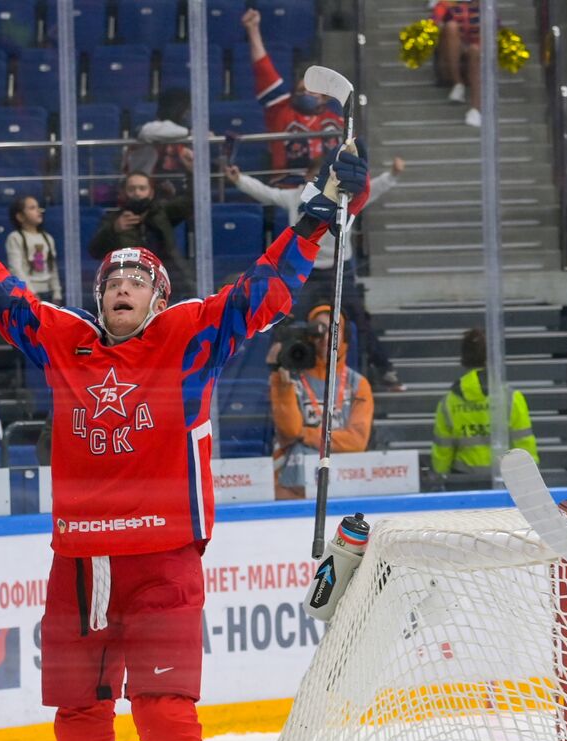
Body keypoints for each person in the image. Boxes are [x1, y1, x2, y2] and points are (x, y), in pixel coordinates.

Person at [0, 144, 370, 741]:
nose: (122, 287)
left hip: (162, 560)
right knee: (77, 718)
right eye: (111, 281)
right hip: (79, 564)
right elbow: (8, 299)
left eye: (138, 280)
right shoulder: (66, 342)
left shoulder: (188, 336)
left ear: (158, 296)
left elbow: (263, 291)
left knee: (162, 713)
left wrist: (321, 215)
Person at [224, 155, 407, 390]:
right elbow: (266, 193)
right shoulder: (296, 196)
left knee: (360, 322)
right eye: (317, 176)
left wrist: (392, 175)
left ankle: (384, 370)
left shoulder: (344, 199)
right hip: (304, 272)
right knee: (283, 319)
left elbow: (371, 192)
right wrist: (239, 179)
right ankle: (278, 370)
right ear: (309, 177)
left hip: (337, 271)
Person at [268, 301, 374, 500]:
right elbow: (289, 430)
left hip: (345, 486)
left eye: (334, 331)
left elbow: (357, 441)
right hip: (292, 488)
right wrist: (279, 380)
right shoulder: (290, 377)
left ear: (345, 337)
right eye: (319, 332)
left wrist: (305, 434)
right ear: (309, 337)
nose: (326, 338)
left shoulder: (358, 384)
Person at [241, 7, 345, 177]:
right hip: (289, 188)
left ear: (324, 97)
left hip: (331, 189)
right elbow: (263, 68)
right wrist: (253, 30)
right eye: (301, 90)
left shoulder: (337, 119)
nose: (305, 94)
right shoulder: (281, 109)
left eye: (311, 91)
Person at [431, 328, 538, 478]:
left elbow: (443, 450)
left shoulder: (449, 401)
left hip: (464, 480)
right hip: (506, 480)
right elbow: (524, 443)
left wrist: (440, 477)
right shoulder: (511, 397)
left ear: (464, 358)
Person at [87, 170, 193, 299]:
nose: (137, 193)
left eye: (142, 188)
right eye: (132, 189)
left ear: (151, 192)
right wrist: (114, 229)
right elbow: (94, 251)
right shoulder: (113, 220)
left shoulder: (163, 212)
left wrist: (191, 171)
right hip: (130, 283)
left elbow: (192, 201)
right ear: (124, 193)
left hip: (170, 278)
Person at [5, 194, 62, 304]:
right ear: (20, 216)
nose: (39, 211)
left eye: (38, 207)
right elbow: (16, 269)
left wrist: (57, 293)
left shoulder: (47, 238)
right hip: (27, 294)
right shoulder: (15, 238)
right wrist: (31, 293)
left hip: (48, 293)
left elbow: (52, 267)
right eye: (32, 208)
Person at [432, 0, 482, 126]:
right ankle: (457, 84)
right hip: (447, 61)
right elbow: (432, 23)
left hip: (474, 57)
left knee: (475, 50)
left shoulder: (486, 7)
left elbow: (498, 31)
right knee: (451, 27)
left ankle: (475, 109)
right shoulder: (445, 3)